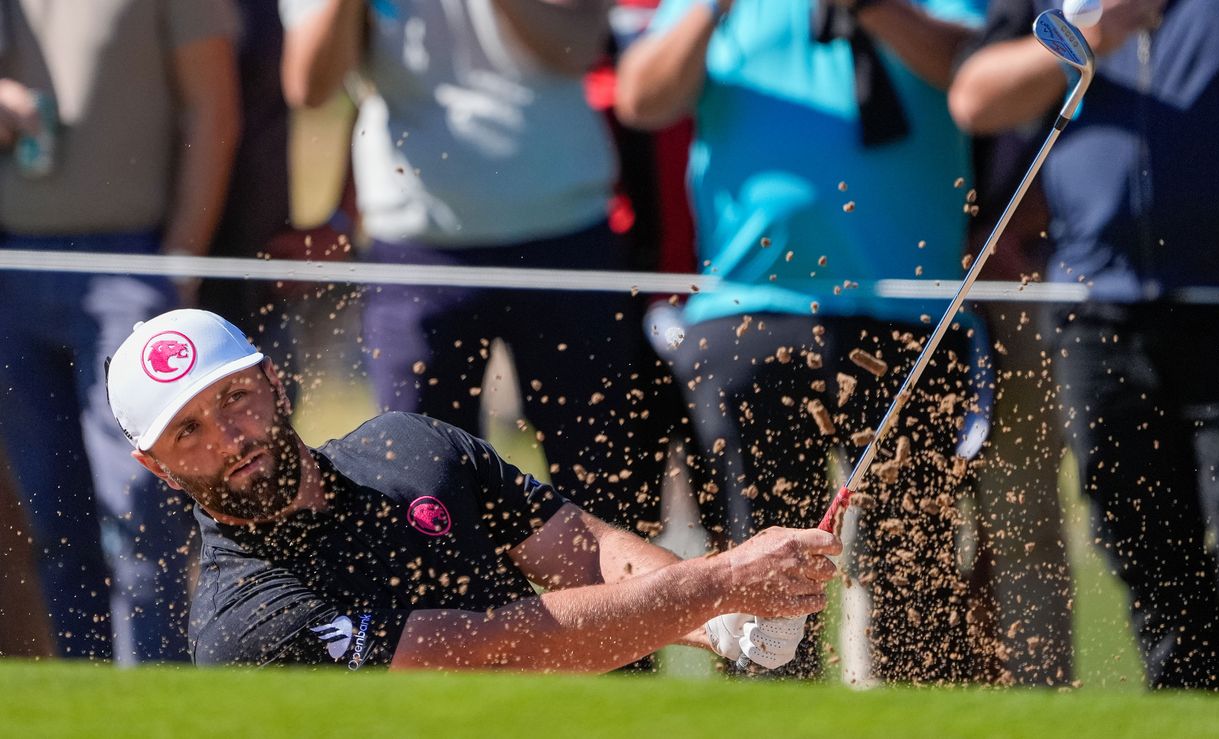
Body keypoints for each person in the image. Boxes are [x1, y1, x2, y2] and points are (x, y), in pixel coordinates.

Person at [103, 309, 839, 670]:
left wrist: (723, 620)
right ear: (156, 467)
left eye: (234, 397)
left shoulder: (408, 446)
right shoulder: (247, 621)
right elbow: (498, 647)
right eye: (188, 431)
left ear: (273, 379)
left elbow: (586, 552)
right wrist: (713, 586)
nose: (229, 438)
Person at [615, 0, 985, 680]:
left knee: (916, 572)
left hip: (911, 320)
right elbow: (642, 97)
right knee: (759, 578)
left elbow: (972, 74)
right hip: (747, 314)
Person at [950, 0, 1219, 690]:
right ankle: (1186, 711)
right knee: (1142, 540)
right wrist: (1095, 34)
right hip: (1095, 309)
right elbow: (975, 97)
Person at [277, 0, 669, 535]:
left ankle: (624, 619)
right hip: (415, 250)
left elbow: (576, 51)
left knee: (604, 484)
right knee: (423, 491)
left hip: (567, 233)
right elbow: (309, 86)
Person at [0, 0, 240, 662]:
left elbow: (213, 109)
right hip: (11, 264)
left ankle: (149, 704)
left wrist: (180, 262)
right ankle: (91, 702)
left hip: (128, 268)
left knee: (143, 513)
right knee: (53, 518)